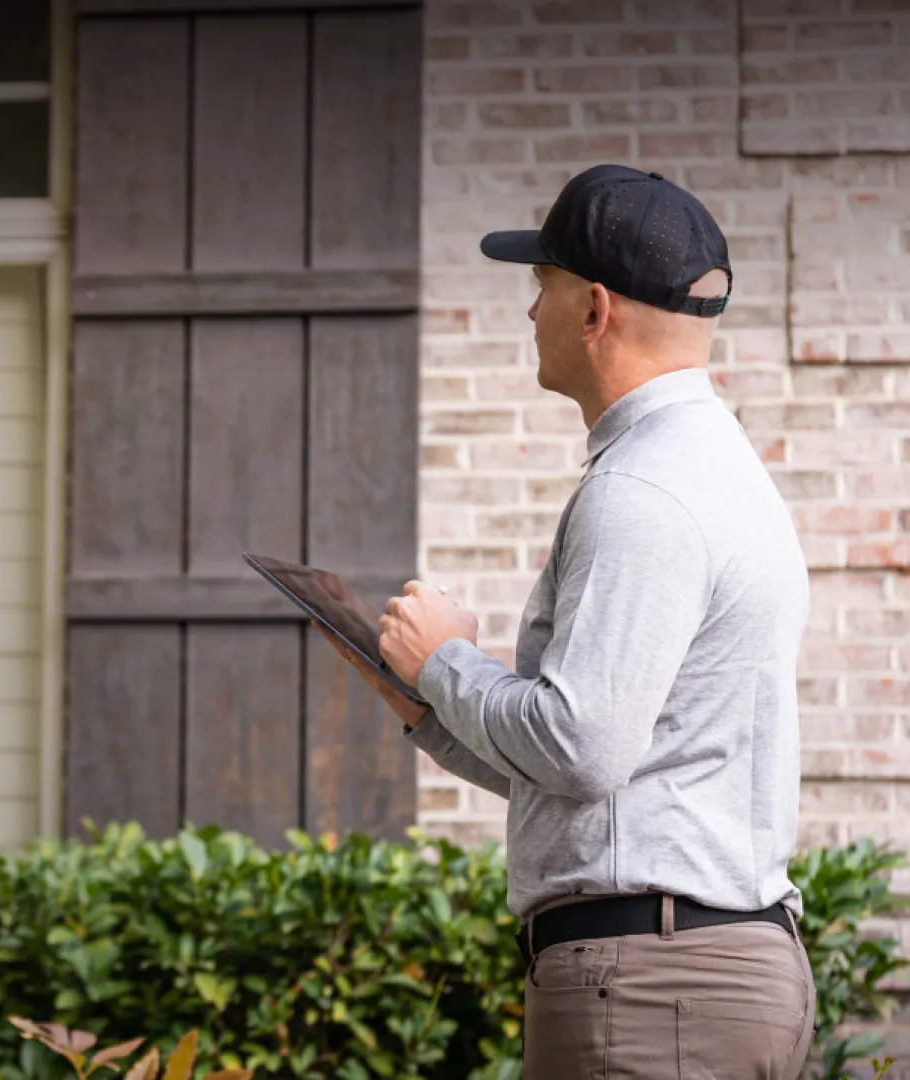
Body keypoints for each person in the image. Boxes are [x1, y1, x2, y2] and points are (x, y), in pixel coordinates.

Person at [378, 164, 813, 1077]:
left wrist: (448, 661)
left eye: (541, 288)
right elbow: (615, 788)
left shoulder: (640, 492)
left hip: (653, 989)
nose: (527, 313)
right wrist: (426, 706)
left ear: (594, 310)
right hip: (693, 976)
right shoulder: (715, 466)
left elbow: (580, 746)